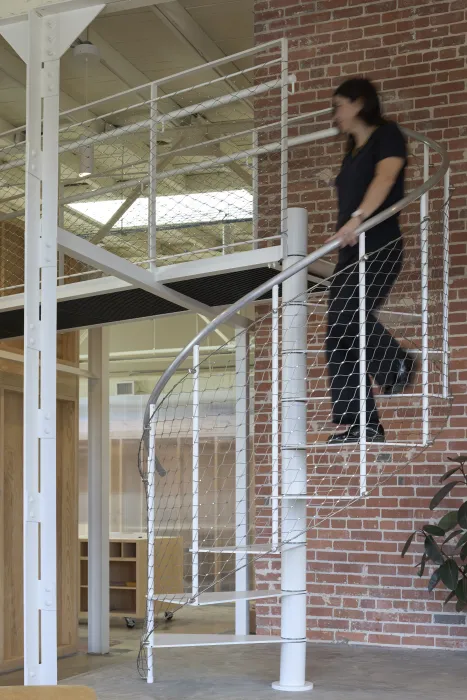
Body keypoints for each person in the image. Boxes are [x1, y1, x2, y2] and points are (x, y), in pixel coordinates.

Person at [325, 77, 416, 445]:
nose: (336, 115)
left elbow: (387, 177)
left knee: (349, 318)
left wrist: (358, 219)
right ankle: (363, 422)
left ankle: (398, 363)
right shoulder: (351, 153)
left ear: (360, 103)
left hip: (378, 244)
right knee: (338, 332)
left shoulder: (386, 135)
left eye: (339, 105)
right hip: (350, 253)